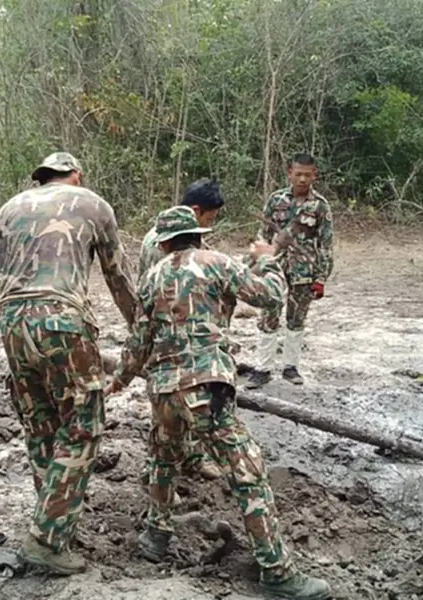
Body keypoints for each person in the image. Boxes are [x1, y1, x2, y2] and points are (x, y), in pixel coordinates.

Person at [105, 207, 332, 600]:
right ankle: (276, 571)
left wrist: (120, 380)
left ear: (162, 243)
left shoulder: (151, 277)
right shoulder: (217, 263)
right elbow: (270, 297)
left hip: (162, 390)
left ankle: (155, 536)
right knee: (248, 473)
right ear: (199, 235)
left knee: (163, 460)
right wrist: (267, 261)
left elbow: (139, 341)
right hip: (205, 387)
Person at [0, 152, 138, 574]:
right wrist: (142, 336)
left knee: (41, 427)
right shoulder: (92, 204)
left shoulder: (8, 209)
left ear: (40, 178)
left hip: (12, 322)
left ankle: (52, 521)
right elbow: (119, 278)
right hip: (62, 320)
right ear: (76, 176)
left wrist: (11, 326)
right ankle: (47, 538)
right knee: (83, 427)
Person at [135, 179, 225, 482]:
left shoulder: (167, 236)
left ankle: (185, 461)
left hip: (164, 334)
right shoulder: (164, 244)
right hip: (172, 338)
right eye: (209, 219)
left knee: (173, 406)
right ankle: (170, 465)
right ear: (197, 211)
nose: (209, 226)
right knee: (171, 408)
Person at [246, 153, 334, 389]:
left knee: (296, 318)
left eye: (308, 174)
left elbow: (325, 244)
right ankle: (262, 368)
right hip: (274, 268)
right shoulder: (276, 200)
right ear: (289, 174)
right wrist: (258, 263)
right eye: (298, 174)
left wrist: (321, 278)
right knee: (268, 315)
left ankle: (290, 367)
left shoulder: (320, 206)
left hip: (304, 270)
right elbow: (262, 236)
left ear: (315, 175)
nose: (303, 179)